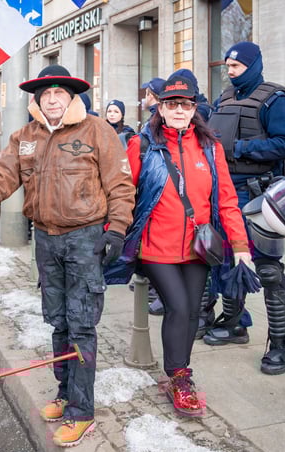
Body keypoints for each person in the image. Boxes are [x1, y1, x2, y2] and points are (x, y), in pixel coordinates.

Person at [0, 64, 135, 447]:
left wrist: (116, 229)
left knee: (81, 324)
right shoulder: (26, 137)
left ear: (71, 97)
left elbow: (120, 184)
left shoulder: (97, 130)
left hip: (85, 239)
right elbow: (1, 176)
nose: (52, 99)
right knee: (58, 321)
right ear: (37, 100)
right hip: (47, 242)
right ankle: (65, 393)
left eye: (59, 93)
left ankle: (82, 412)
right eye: (45, 94)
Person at [119, 74, 249, 416]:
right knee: (177, 306)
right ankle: (178, 376)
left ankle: (182, 369)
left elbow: (226, 199)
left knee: (194, 310)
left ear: (195, 109)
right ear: (160, 108)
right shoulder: (142, 145)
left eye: (185, 105)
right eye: (171, 104)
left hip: (198, 245)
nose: (178, 110)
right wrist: (112, 231)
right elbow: (122, 193)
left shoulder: (210, 147)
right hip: (155, 246)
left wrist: (240, 243)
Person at [204, 41, 285, 375]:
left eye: (236, 67)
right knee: (227, 260)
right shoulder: (225, 97)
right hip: (226, 191)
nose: (229, 72)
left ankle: (280, 344)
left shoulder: (274, 99)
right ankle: (233, 322)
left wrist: (241, 147)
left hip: (258, 193)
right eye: (227, 66)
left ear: (253, 65)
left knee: (269, 270)